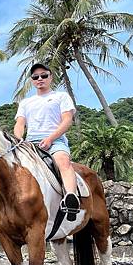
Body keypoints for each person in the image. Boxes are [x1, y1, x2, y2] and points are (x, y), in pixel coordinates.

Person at [13, 63, 80, 218]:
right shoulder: (25, 102)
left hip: (55, 141)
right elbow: (20, 124)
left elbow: (67, 120)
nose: (40, 79)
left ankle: (71, 198)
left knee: (63, 161)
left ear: (51, 77)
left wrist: (50, 138)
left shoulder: (61, 96)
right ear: (32, 80)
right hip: (29, 144)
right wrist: (18, 140)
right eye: (36, 77)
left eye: (44, 75)